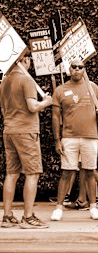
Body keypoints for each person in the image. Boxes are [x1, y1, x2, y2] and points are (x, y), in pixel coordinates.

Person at [0, 54, 53, 228]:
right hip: (26, 131)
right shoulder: (27, 80)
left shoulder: (4, 82)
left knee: (12, 174)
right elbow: (32, 107)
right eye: (29, 59)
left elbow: (3, 108)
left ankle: (7, 216)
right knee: (32, 173)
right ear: (25, 60)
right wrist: (46, 102)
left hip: (9, 130)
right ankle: (28, 217)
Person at [51, 59, 98, 221]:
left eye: (80, 67)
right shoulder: (60, 90)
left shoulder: (93, 87)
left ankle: (93, 207)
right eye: (74, 67)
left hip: (90, 136)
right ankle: (59, 208)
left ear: (84, 69)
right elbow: (55, 117)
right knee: (67, 172)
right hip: (69, 137)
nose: (77, 69)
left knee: (89, 171)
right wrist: (57, 140)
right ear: (69, 69)